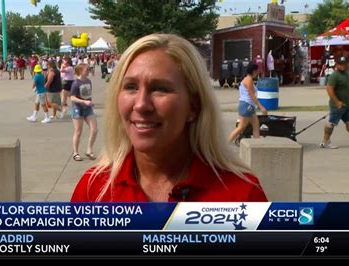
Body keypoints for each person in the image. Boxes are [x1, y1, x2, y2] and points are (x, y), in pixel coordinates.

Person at [71, 34, 267, 202]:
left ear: (193, 106)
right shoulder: (93, 190)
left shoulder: (241, 195)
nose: (140, 104)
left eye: (160, 89)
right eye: (130, 87)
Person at [320, 56, 349, 149]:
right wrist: (337, 102)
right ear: (336, 65)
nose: (343, 66)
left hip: (346, 104)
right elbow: (329, 89)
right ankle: (325, 142)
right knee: (331, 123)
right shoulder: (335, 76)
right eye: (340, 64)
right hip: (337, 105)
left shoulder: (346, 74)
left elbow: (345, 89)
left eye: (344, 64)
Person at [228, 64, 268, 143]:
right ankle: (226, 142)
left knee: (256, 125)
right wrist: (261, 107)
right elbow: (252, 95)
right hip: (247, 105)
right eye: (257, 71)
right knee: (241, 127)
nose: (258, 73)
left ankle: (257, 144)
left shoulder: (247, 79)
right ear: (254, 71)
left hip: (248, 106)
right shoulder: (248, 80)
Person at [69, 63, 97, 162]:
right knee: (78, 131)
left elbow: (88, 95)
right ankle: (75, 152)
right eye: (86, 70)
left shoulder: (88, 81)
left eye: (88, 69)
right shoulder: (76, 83)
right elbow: (72, 97)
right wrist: (83, 101)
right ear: (81, 71)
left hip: (88, 108)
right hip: (77, 108)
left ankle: (89, 150)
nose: (88, 71)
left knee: (94, 129)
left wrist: (90, 101)